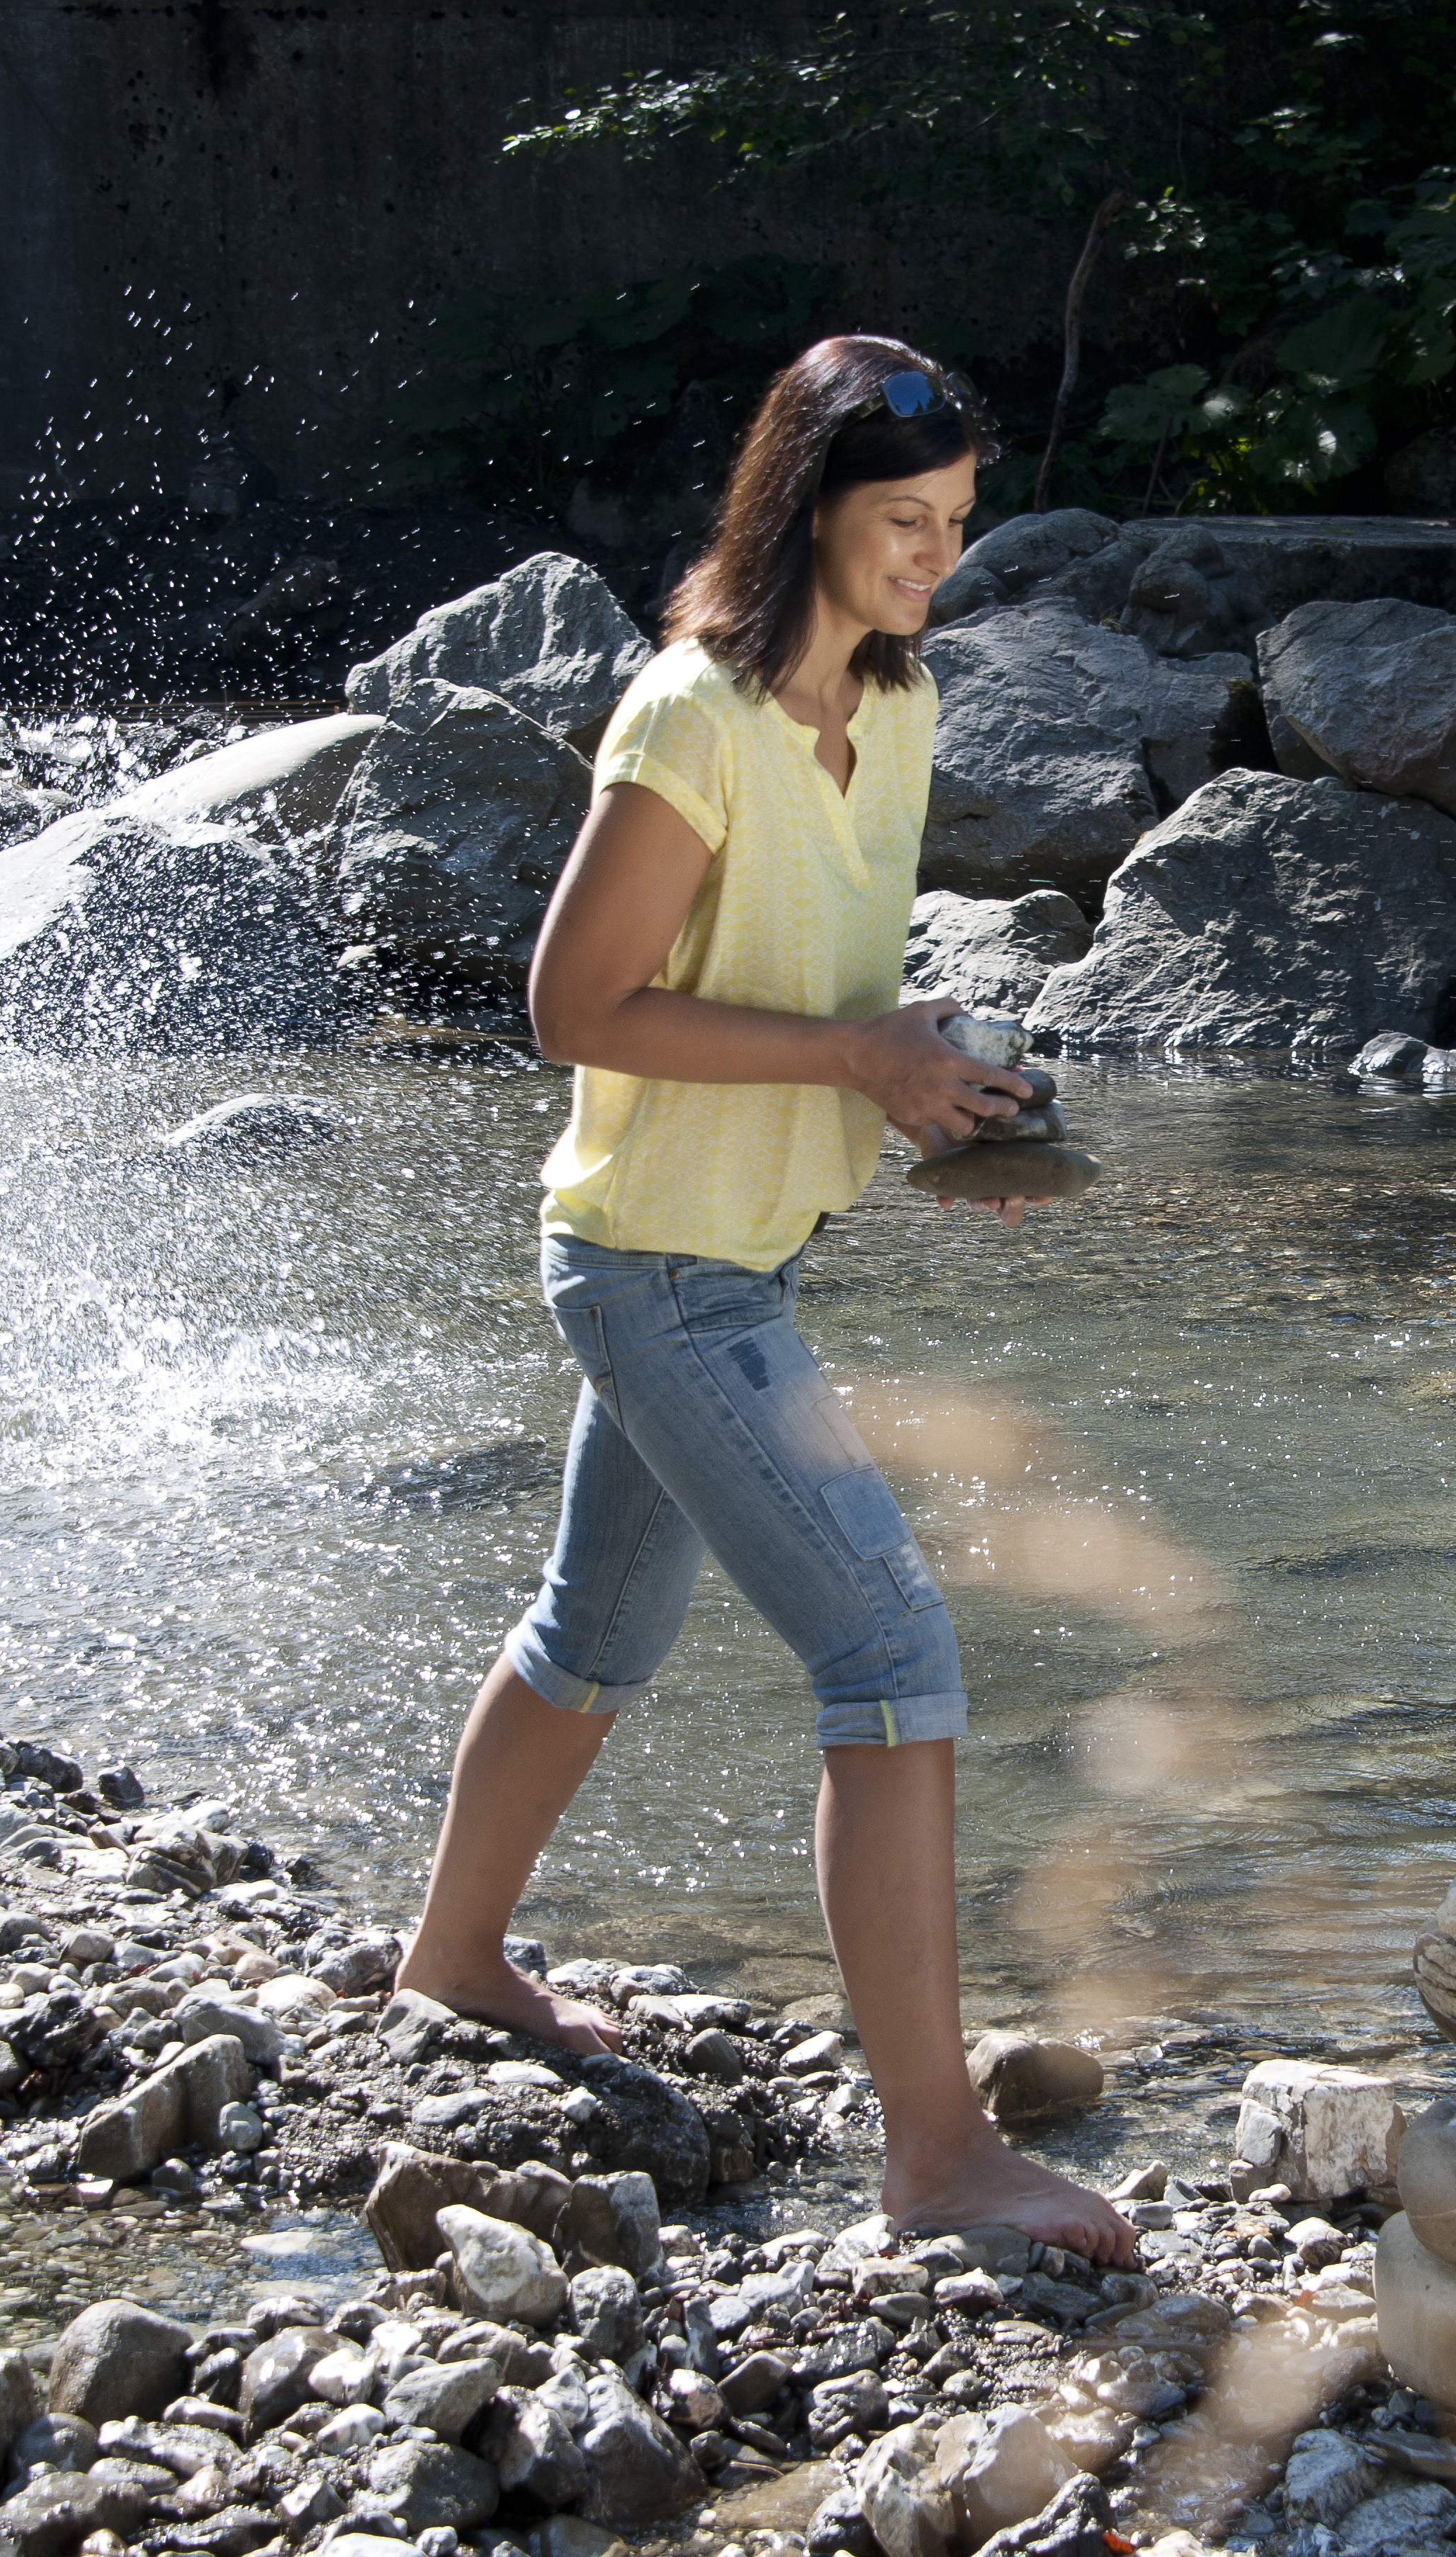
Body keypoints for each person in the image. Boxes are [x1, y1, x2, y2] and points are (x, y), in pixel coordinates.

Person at [391, 336, 1131, 2263]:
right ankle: (940, 2155)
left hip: (737, 1250)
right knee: (895, 1666)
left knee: (592, 1634)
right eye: (904, 526)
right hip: (653, 1269)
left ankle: (456, 1963)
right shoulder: (689, 724)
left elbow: (818, 1005)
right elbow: (574, 1014)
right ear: (806, 508)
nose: (932, 566)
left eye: (957, 530)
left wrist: (938, 1106)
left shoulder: (900, 713)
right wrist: (855, 1063)